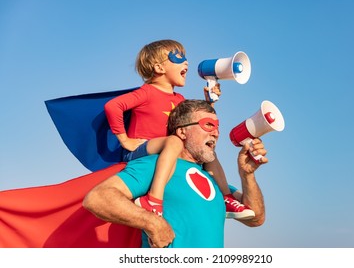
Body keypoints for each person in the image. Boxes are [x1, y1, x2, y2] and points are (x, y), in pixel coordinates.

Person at [83, 99, 267, 248]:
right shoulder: (156, 165)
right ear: (182, 131)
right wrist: (152, 222)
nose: (216, 133)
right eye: (208, 125)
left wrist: (247, 175)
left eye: (217, 127)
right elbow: (98, 198)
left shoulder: (216, 181)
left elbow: (256, 218)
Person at [104, 39, 254, 219]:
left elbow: (192, 122)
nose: (186, 62)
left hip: (169, 149)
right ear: (159, 68)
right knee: (175, 141)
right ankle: (153, 199)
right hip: (141, 150)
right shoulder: (147, 92)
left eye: (185, 57)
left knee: (208, 151)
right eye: (177, 57)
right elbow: (113, 106)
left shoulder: (180, 99)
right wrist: (125, 140)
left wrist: (209, 102)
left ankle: (226, 198)